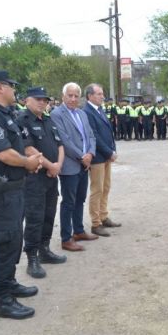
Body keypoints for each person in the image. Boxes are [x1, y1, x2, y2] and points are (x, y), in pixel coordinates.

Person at [0, 69, 42, 319]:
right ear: (0, 87)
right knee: (4, 243)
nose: (15, 89)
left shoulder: (4, 113)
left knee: (13, 241)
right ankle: (3, 300)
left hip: (12, 190)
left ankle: (9, 283)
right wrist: (27, 162)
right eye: (11, 85)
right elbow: (4, 154)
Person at [16, 87, 67, 279]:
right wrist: (50, 166)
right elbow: (28, 148)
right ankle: (32, 258)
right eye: (37, 99)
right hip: (34, 178)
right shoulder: (22, 120)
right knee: (35, 218)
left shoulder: (48, 119)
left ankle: (45, 250)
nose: (42, 102)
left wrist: (58, 165)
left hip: (51, 177)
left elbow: (59, 144)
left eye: (45, 100)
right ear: (26, 100)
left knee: (49, 214)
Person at [51, 83, 98, 252]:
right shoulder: (56, 114)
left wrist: (90, 154)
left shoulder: (82, 113)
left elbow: (91, 136)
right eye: (69, 95)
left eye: (76, 96)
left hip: (84, 165)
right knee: (68, 202)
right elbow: (64, 140)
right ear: (63, 96)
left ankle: (78, 231)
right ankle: (66, 238)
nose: (73, 99)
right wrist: (82, 157)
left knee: (80, 199)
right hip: (71, 165)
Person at [83, 83, 121, 237]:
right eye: (99, 94)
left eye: (102, 93)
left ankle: (104, 216)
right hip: (97, 157)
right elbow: (95, 136)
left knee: (106, 187)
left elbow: (108, 133)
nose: (102, 96)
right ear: (90, 95)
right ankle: (96, 223)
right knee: (97, 189)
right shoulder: (87, 111)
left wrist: (113, 150)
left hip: (106, 156)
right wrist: (108, 152)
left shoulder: (99, 109)